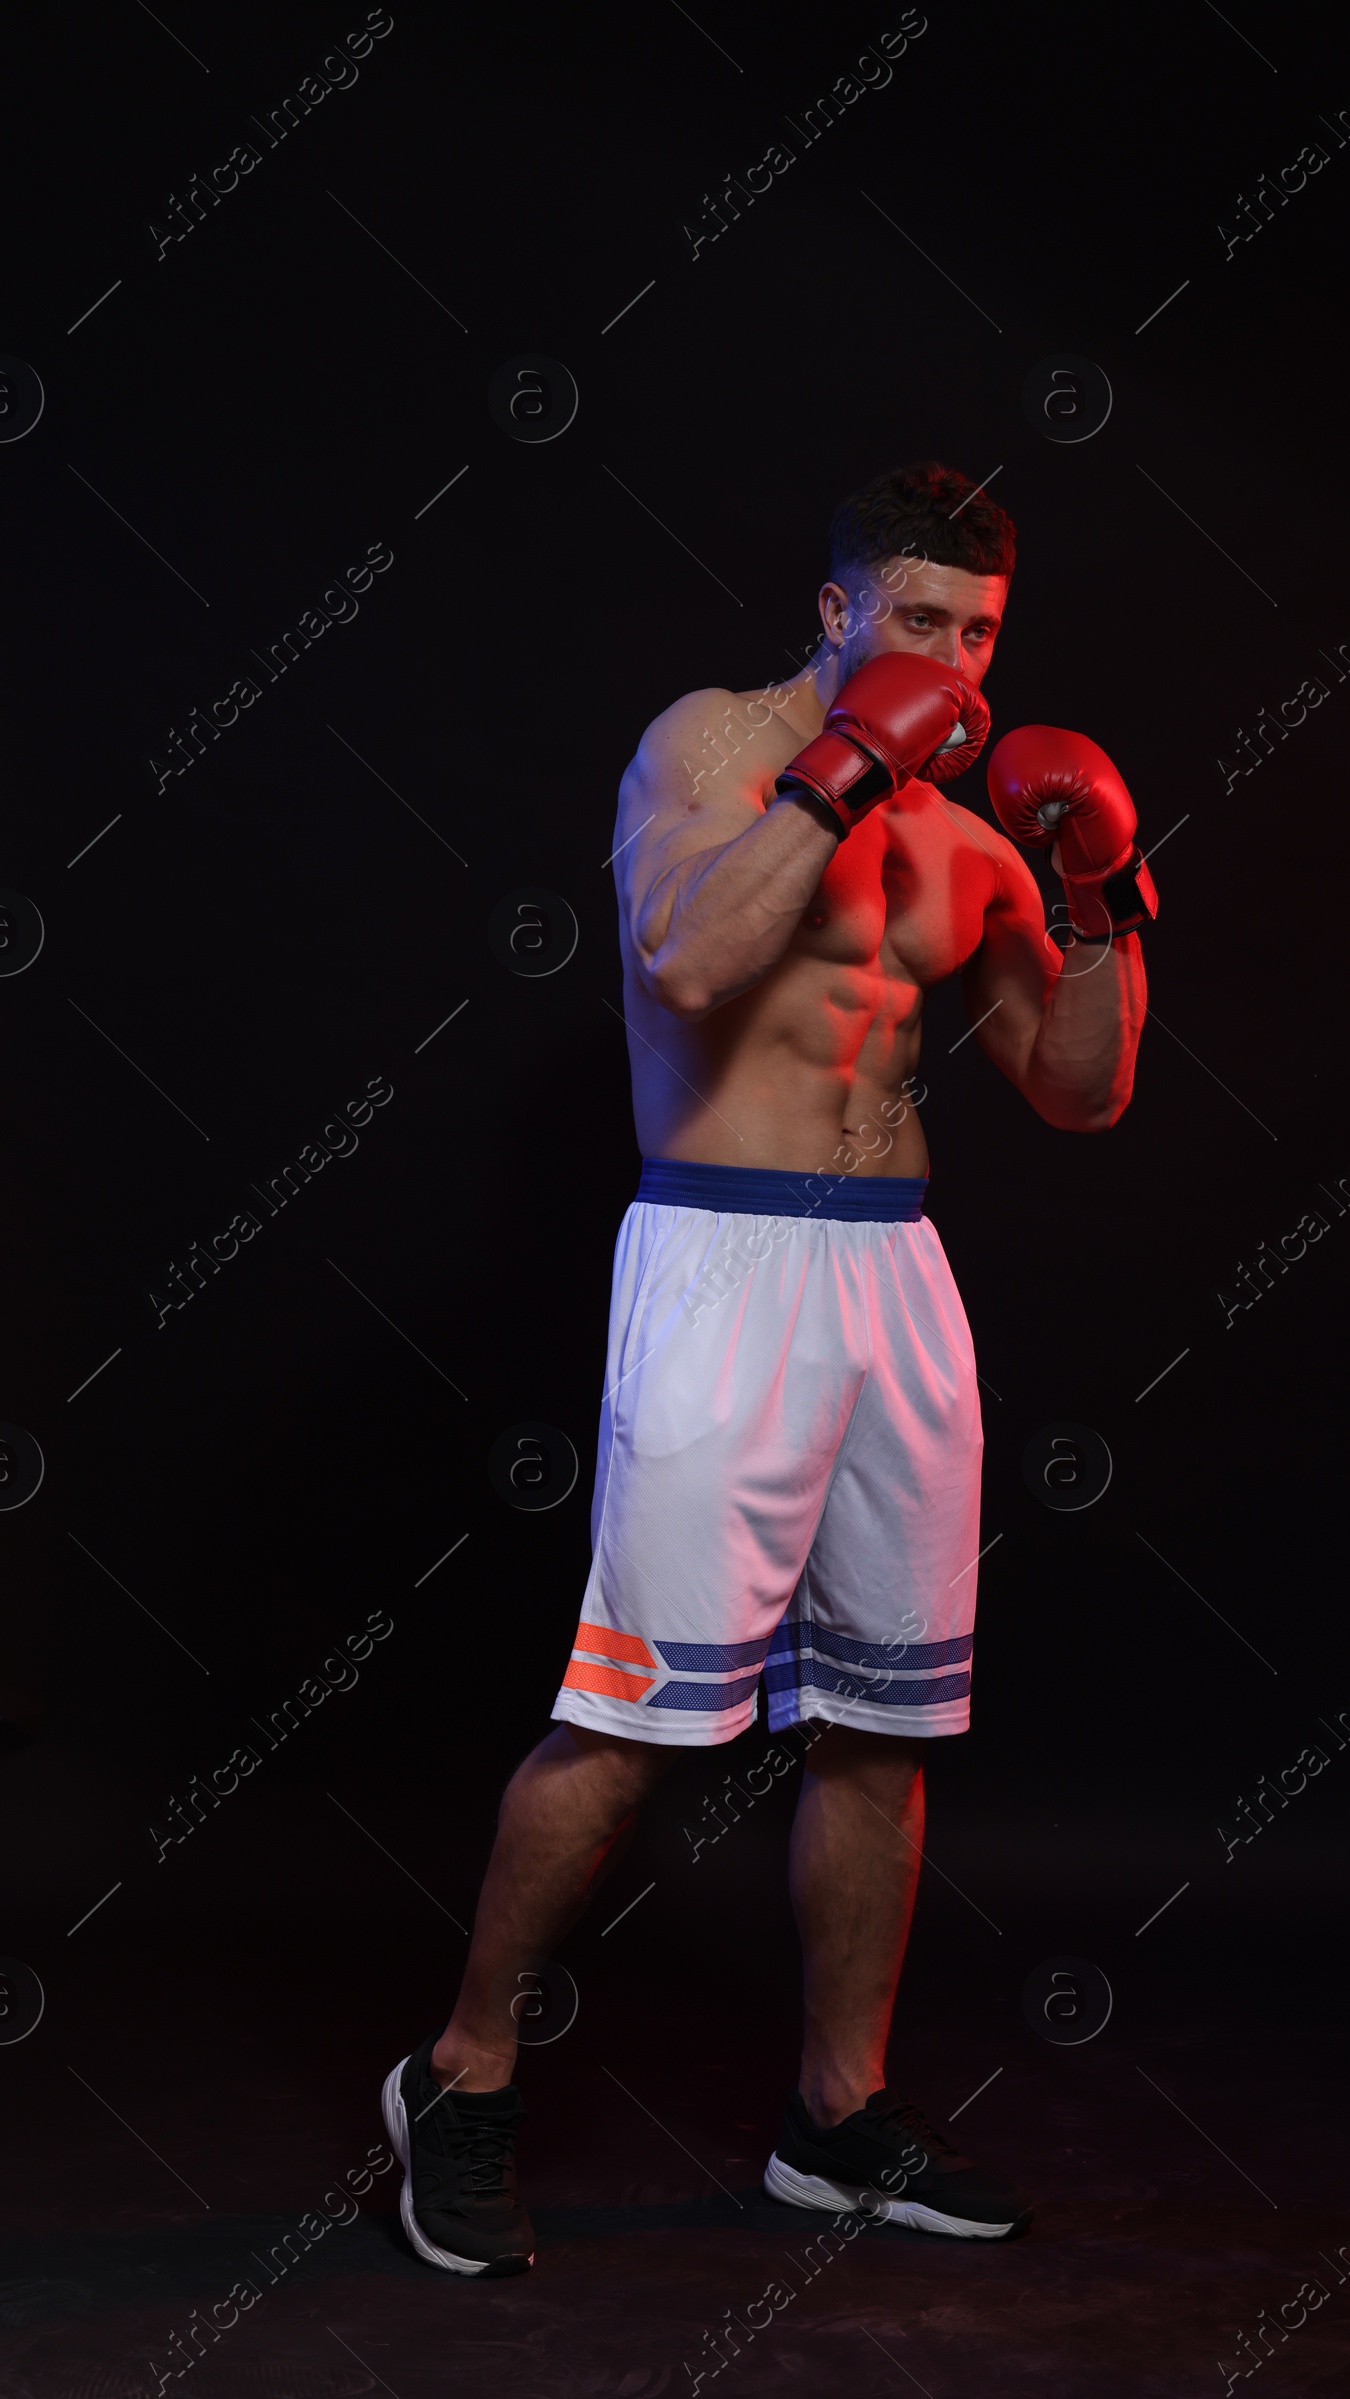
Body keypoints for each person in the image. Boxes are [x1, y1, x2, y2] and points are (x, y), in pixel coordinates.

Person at [382, 459, 1153, 2274]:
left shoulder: (975, 843)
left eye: (978, 636)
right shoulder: (713, 751)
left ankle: (836, 2120)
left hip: (896, 1284)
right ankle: (466, 2073)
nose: (955, 666)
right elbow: (685, 951)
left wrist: (1109, 892)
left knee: (885, 1738)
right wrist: (850, 760)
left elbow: (1081, 1089)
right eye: (917, 624)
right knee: (632, 1723)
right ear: (833, 613)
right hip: (722, 1261)